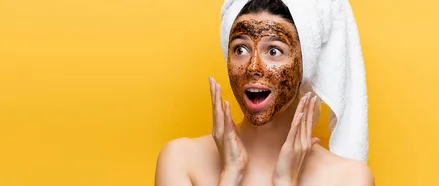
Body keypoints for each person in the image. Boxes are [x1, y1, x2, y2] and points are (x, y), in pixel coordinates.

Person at [155, 0, 374, 185]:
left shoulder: (349, 178)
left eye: (274, 51)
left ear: (306, 63)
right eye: (240, 49)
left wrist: (285, 181)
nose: (253, 67)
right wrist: (229, 176)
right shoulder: (180, 159)